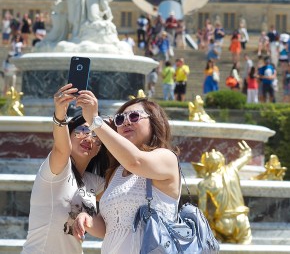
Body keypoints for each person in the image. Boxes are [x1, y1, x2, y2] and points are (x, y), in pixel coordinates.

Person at [73, 94, 180, 254]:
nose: (126, 122)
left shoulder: (166, 157)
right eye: (120, 119)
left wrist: (95, 121)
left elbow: (135, 161)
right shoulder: (116, 172)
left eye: (134, 116)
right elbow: (108, 227)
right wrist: (88, 219)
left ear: (155, 122)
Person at [21, 83, 109, 254]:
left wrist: (87, 219)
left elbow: (114, 215)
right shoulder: (58, 169)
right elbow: (62, 150)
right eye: (82, 130)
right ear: (68, 135)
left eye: (96, 136)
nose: (89, 138)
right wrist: (60, 114)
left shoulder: (95, 183)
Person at [197, 141, 253, 244]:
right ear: (222, 161)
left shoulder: (204, 184)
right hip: (241, 220)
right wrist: (246, 152)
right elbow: (247, 156)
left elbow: (202, 212)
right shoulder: (232, 169)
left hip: (223, 223)